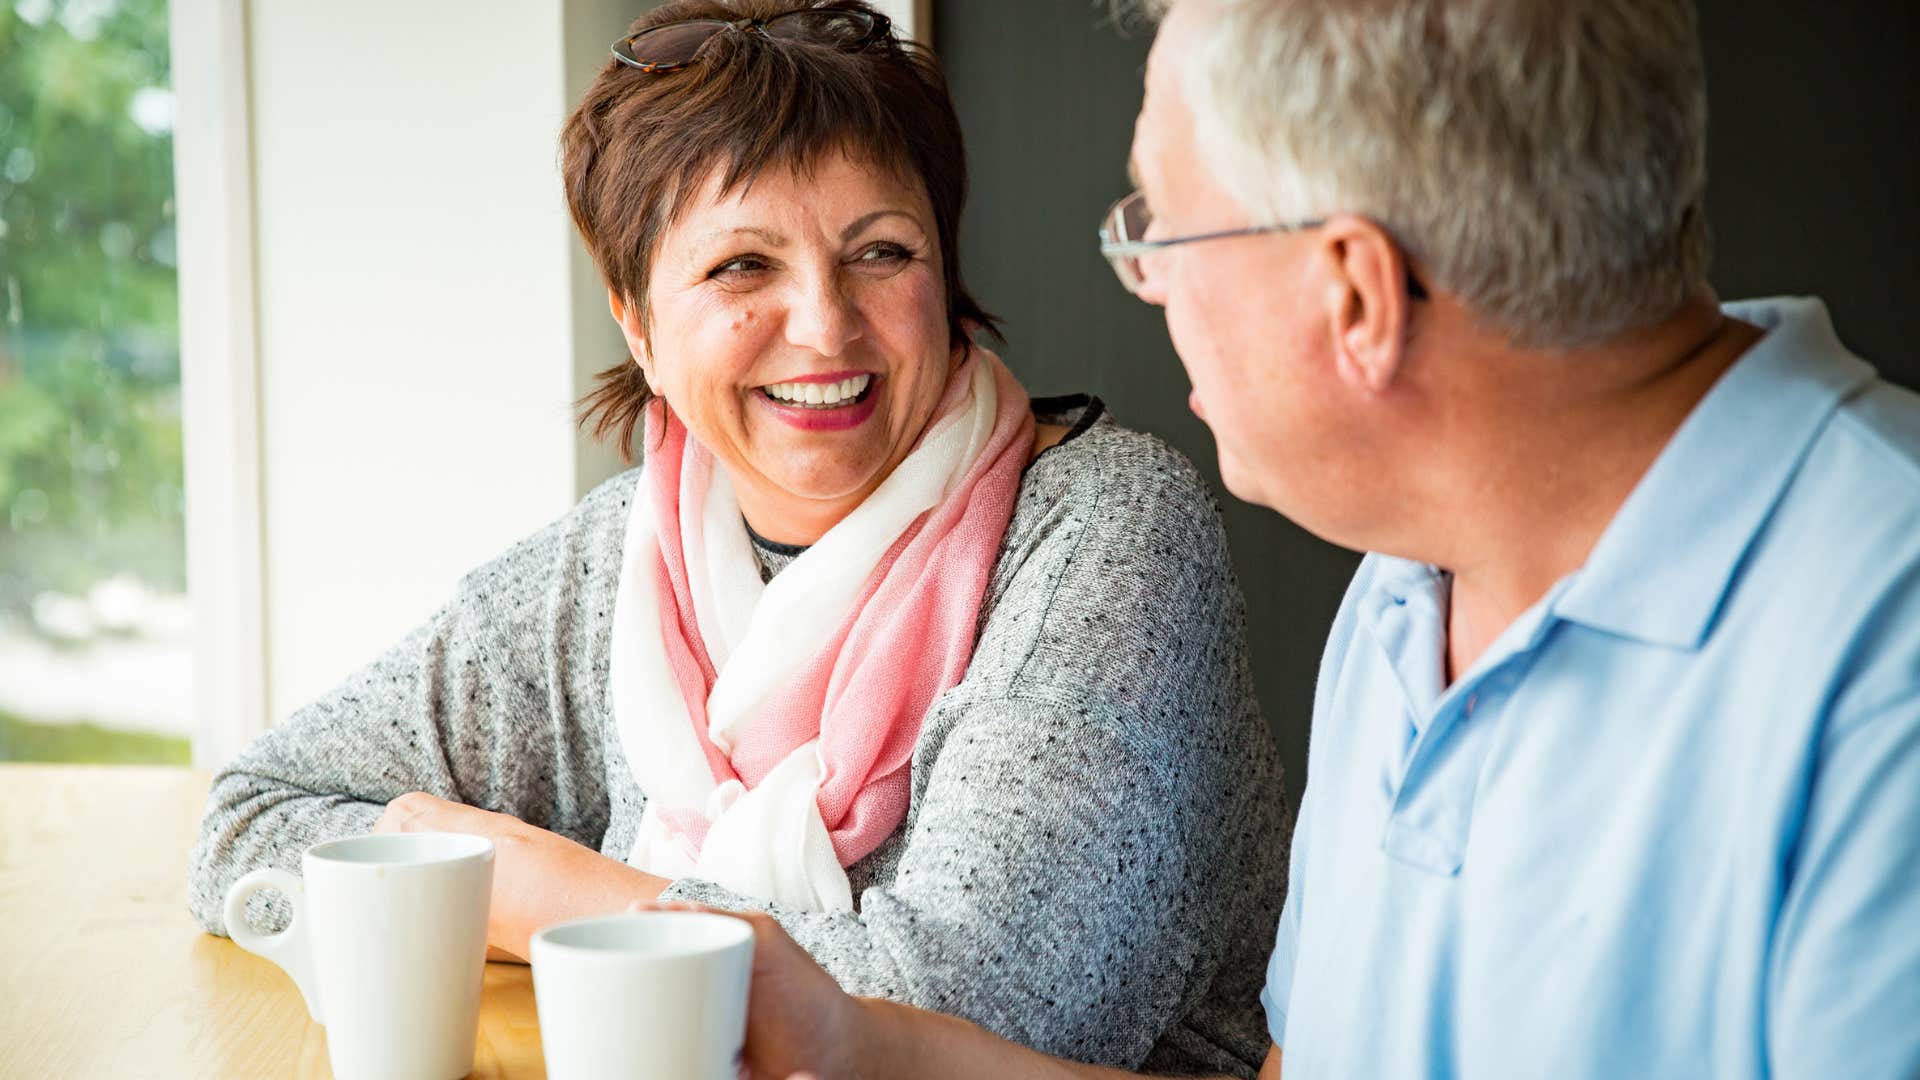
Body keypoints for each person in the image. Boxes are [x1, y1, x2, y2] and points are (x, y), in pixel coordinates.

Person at [711, 0, 1920, 1077]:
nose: (1148, 281)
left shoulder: (1883, 667)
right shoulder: (1410, 583)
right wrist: (864, 1049)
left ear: (1356, 295)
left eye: (1162, 229)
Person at [185, 1, 1291, 1073]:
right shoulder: (619, 561)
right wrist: (516, 890)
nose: (825, 325)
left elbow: (963, 1015)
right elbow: (251, 820)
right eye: (741, 267)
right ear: (636, 321)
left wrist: (539, 892)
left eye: (881, 252)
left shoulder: (1106, 532)